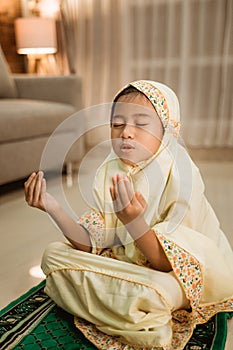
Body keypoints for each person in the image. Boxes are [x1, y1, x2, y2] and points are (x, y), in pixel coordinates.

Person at [24, 80, 233, 350]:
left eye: (141, 124)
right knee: (52, 256)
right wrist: (52, 207)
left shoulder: (181, 172)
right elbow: (91, 244)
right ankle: (135, 312)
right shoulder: (110, 169)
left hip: (171, 275)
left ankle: (132, 308)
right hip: (132, 271)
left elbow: (165, 264)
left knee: (158, 290)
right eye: (117, 124)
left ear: (168, 129)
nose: (126, 133)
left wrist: (133, 222)